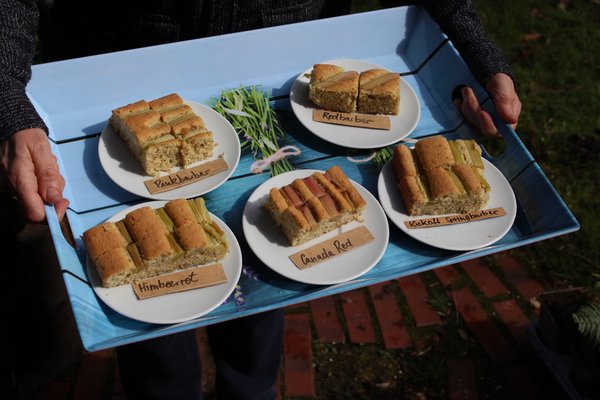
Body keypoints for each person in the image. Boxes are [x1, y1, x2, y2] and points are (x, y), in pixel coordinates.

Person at [0, 1, 521, 399]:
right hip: (101, 85)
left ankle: (248, 386)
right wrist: (9, 104)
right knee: (148, 324)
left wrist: (469, 49)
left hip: (279, 85)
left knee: (268, 274)